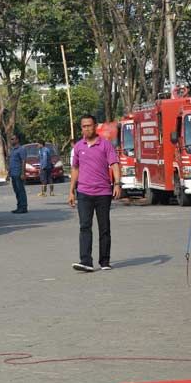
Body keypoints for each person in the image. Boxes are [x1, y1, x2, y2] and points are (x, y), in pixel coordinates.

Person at [68, 114, 121, 272]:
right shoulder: (78, 147)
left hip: (103, 192)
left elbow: (114, 164)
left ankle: (104, 261)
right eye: (84, 126)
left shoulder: (105, 145)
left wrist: (117, 184)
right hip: (84, 193)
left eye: (89, 126)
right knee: (85, 226)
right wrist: (71, 191)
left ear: (95, 126)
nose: (86, 129)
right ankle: (86, 261)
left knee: (104, 227)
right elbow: (75, 169)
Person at [8, 133, 28, 214]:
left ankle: (23, 207)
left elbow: (23, 161)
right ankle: (19, 206)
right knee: (16, 191)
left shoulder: (21, 149)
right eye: (11, 139)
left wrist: (23, 173)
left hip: (18, 173)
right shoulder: (12, 150)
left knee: (21, 190)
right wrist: (8, 173)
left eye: (13, 139)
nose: (11, 140)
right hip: (13, 173)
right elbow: (11, 162)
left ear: (17, 140)